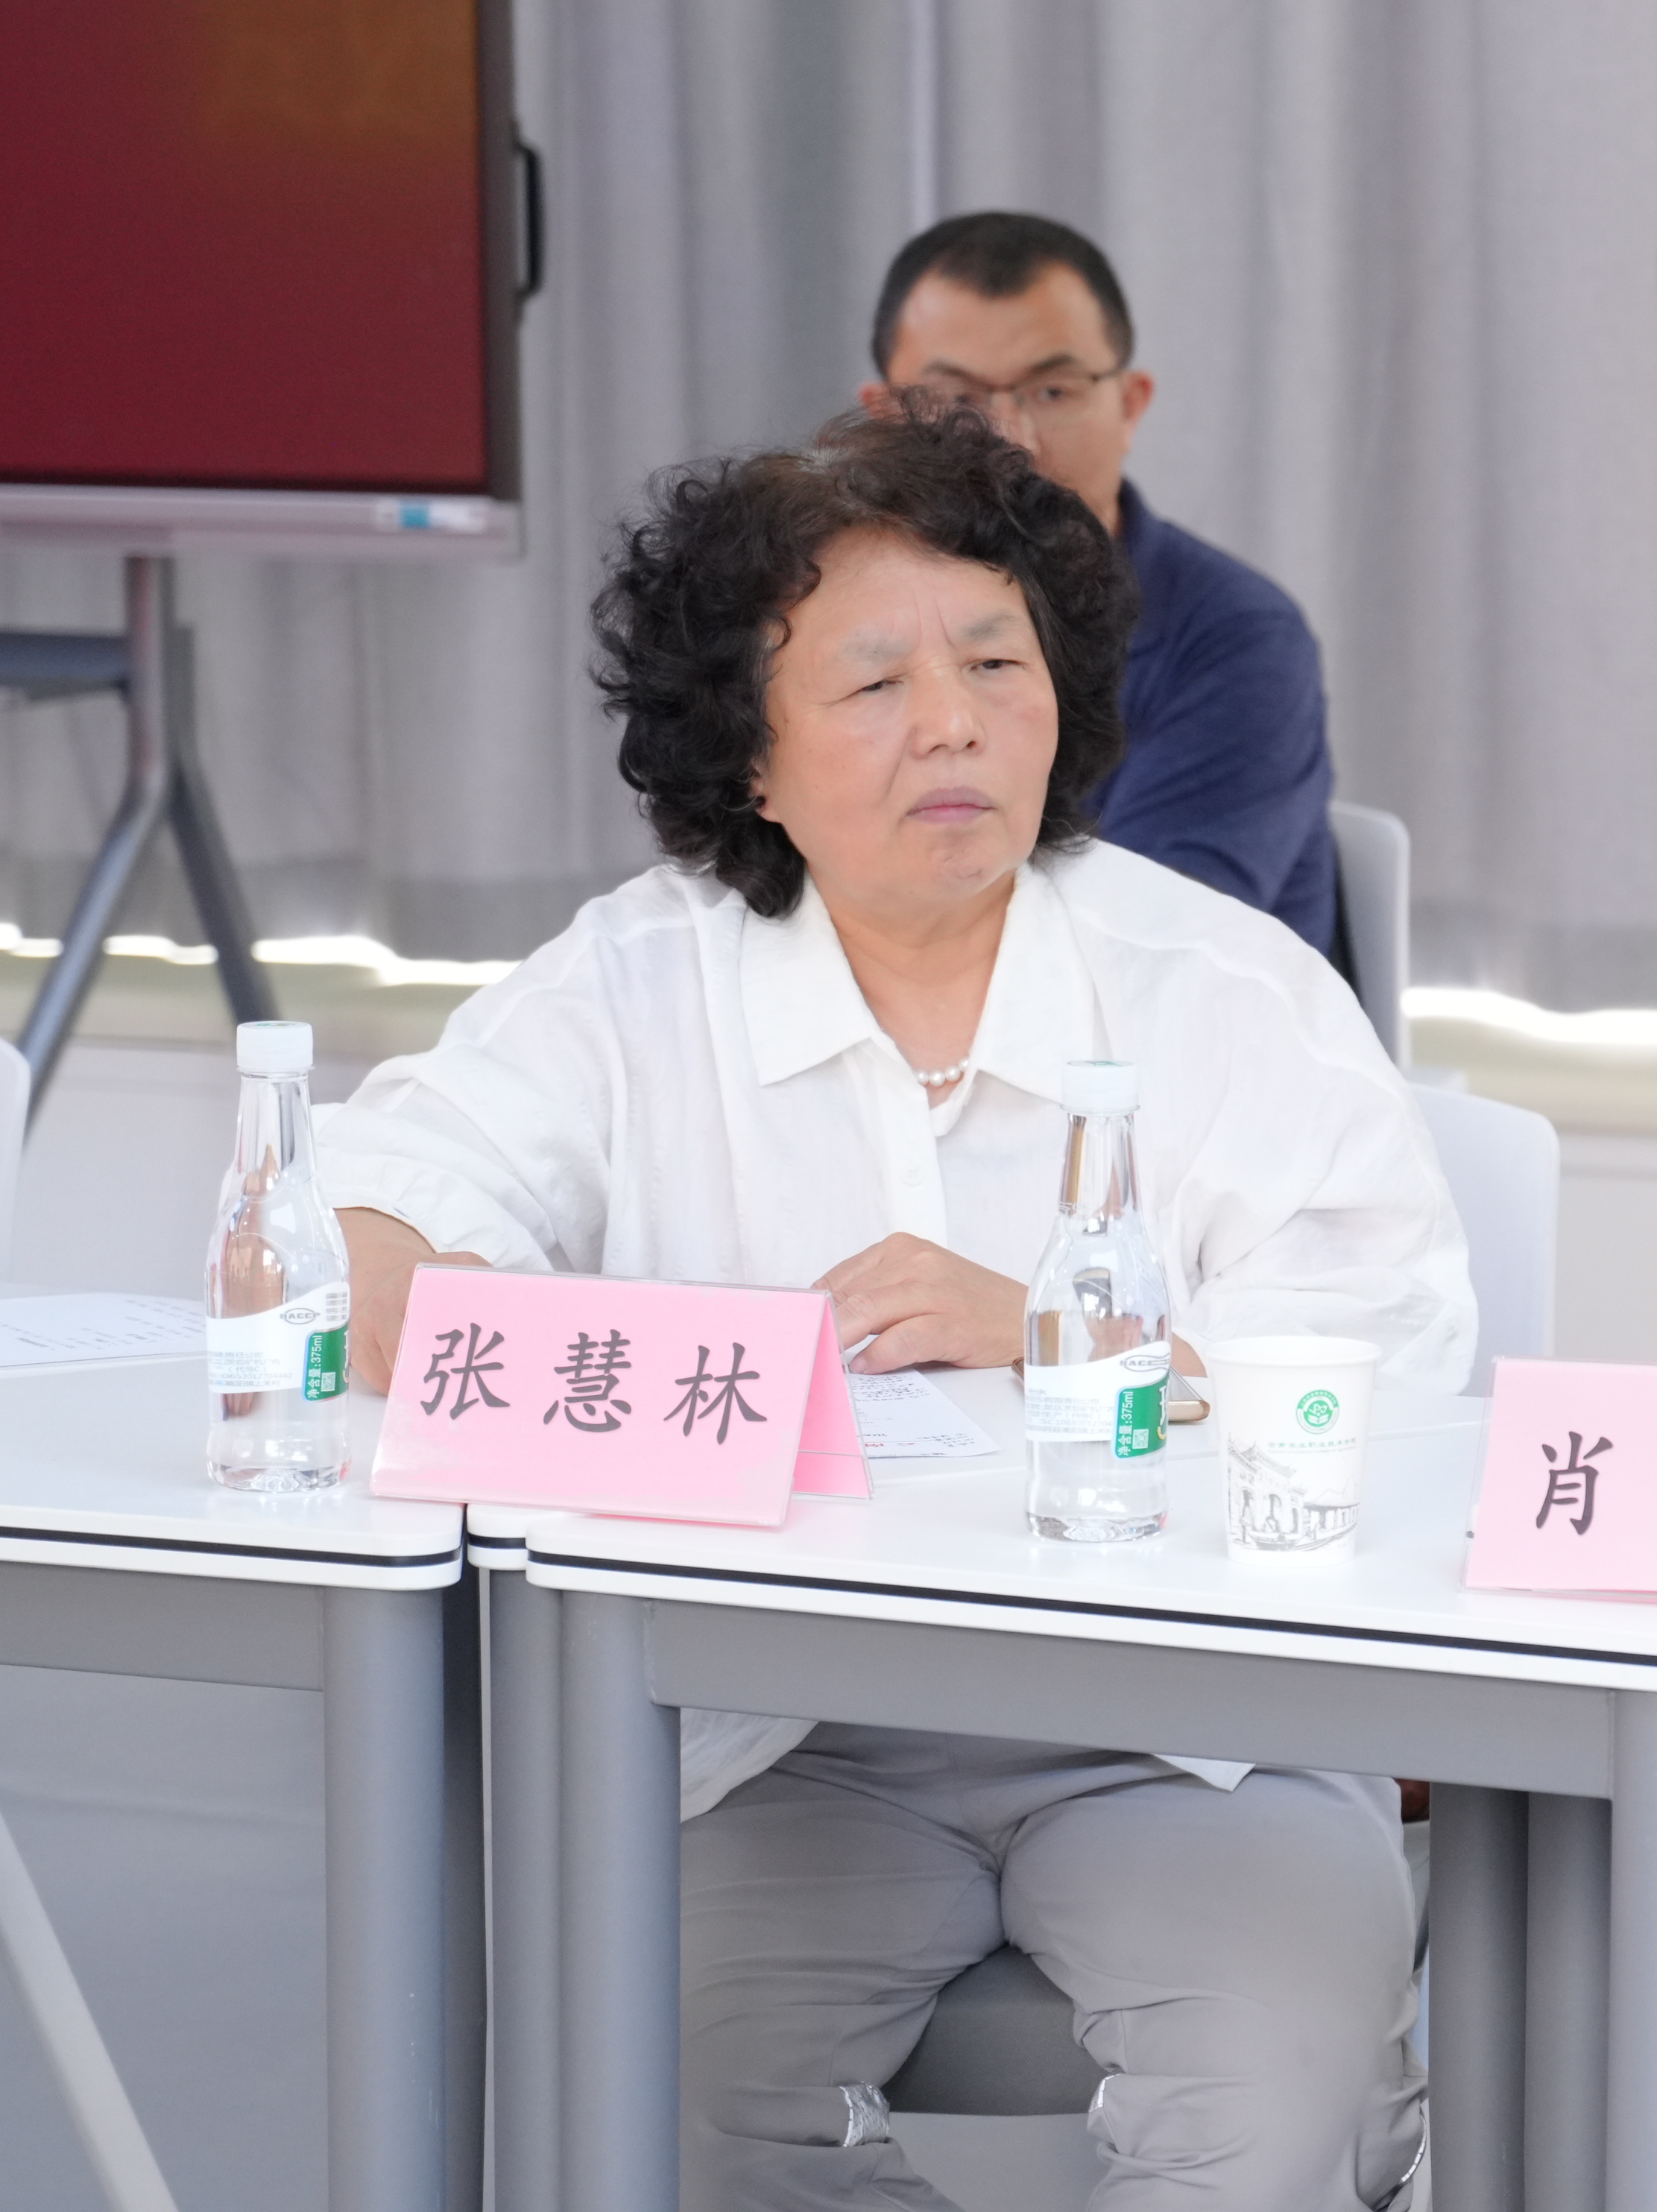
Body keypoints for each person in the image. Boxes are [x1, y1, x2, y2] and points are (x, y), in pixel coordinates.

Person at [318, 401, 1467, 2210]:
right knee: (647, 2099)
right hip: (790, 1731)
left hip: (1190, 1724)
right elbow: (371, 1204)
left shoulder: (1223, 989)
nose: (953, 721)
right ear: (747, 757)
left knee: (1272, 2118)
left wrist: (1070, 1331)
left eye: (996, 662)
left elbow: (1388, 1358)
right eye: (872, 682)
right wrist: (489, 1321)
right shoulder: (640, 979)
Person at [862, 210, 1346, 964]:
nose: (1011, 439)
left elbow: (1147, 953)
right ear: (883, 422)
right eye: (958, 400)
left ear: (1129, 405)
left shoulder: (1236, 637)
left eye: (1054, 391)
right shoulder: (838, 622)